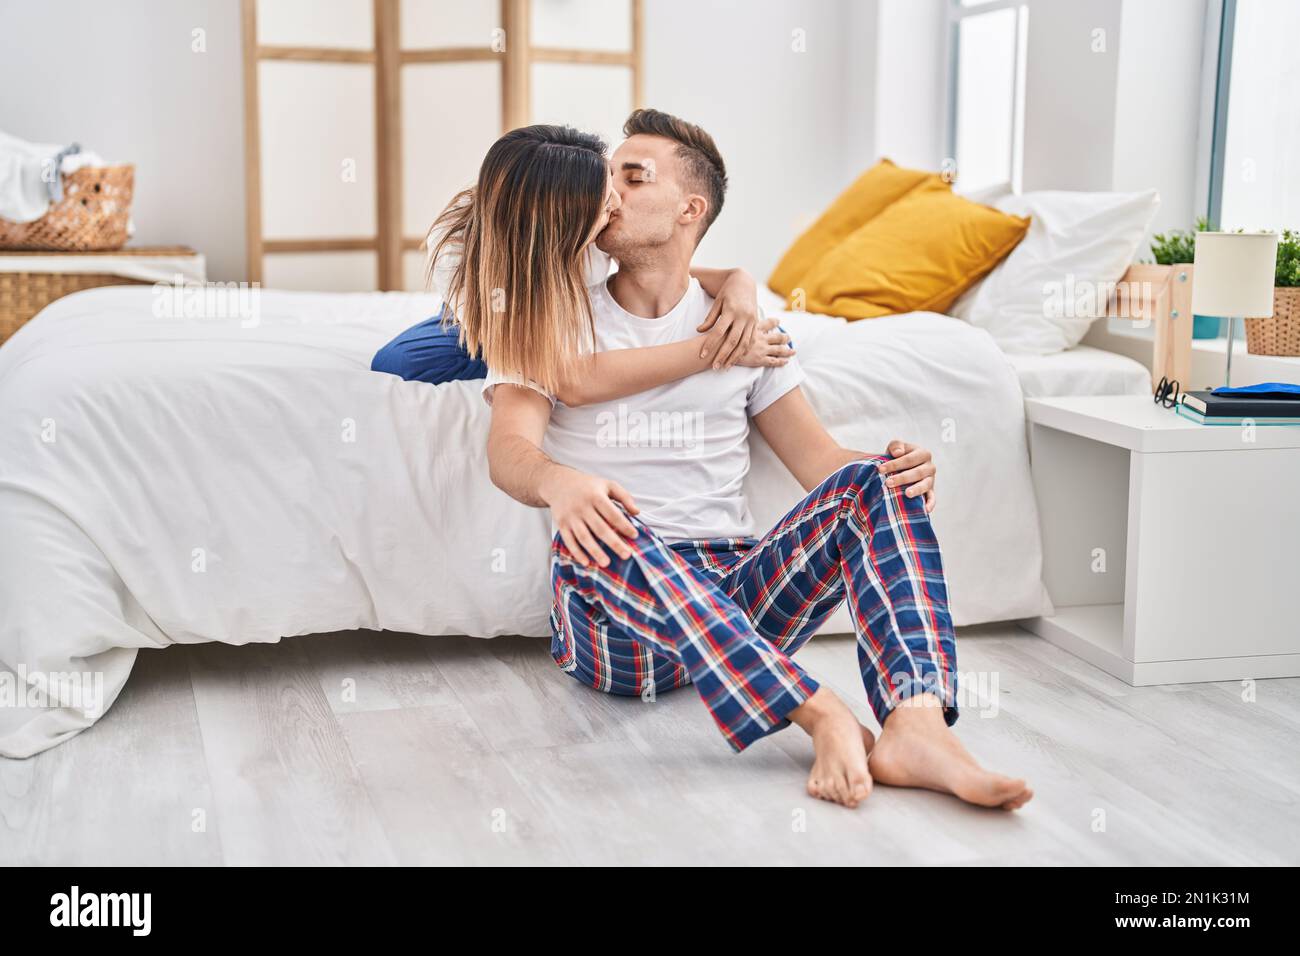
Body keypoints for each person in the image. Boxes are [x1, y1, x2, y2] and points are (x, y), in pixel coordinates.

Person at [480, 109, 1034, 811]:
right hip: (614, 615)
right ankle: (820, 710)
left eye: (631, 174)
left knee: (872, 481)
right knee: (603, 517)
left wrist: (896, 475)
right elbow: (507, 450)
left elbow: (822, 463)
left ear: (691, 209)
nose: (608, 190)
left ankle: (916, 726)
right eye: (606, 175)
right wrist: (559, 484)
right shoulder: (551, 312)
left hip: (738, 596)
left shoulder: (749, 328)